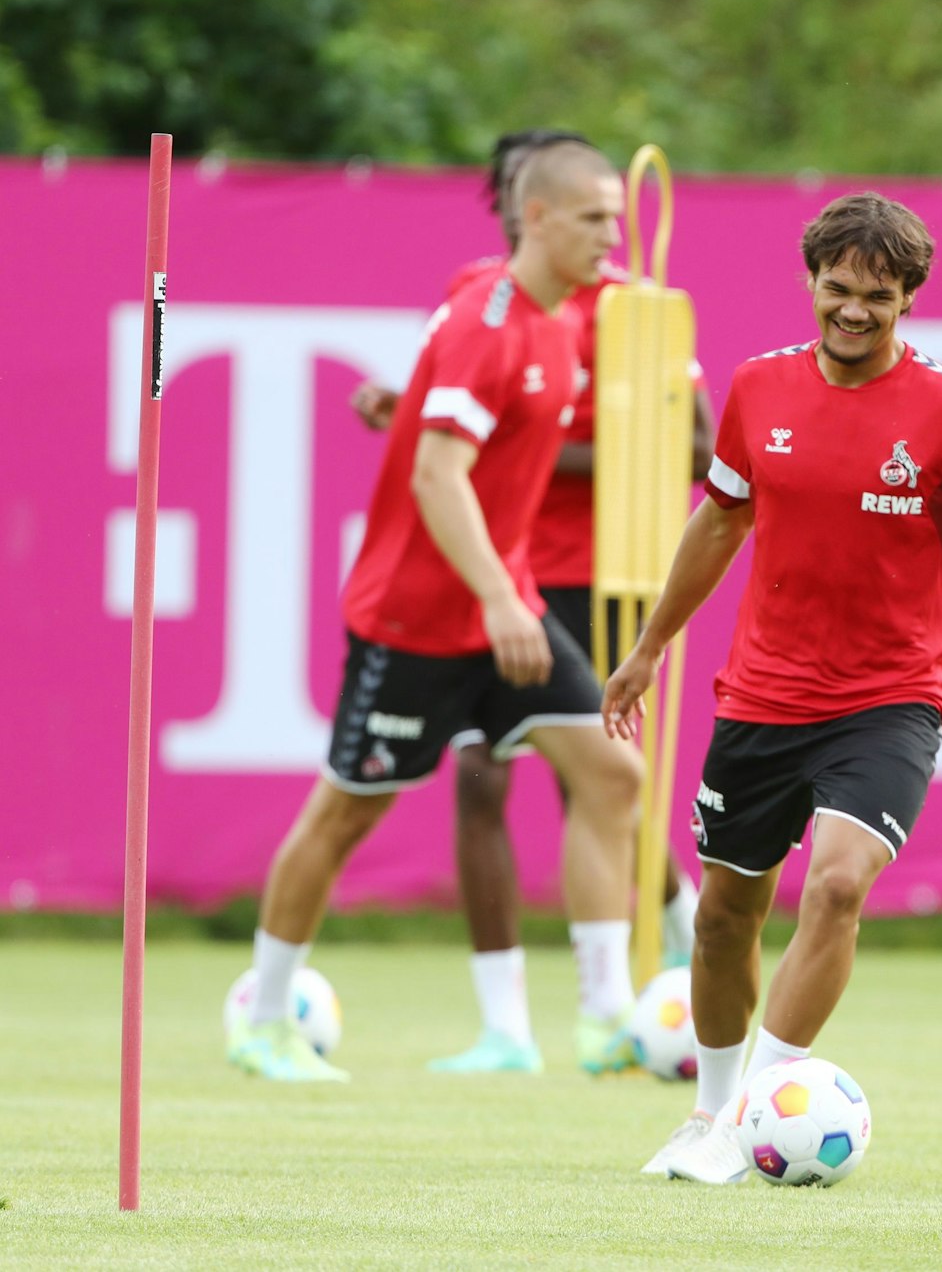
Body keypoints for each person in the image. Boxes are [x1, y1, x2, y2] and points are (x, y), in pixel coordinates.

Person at [600, 191, 942, 1182]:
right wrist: (649, 647)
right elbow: (719, 522)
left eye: (877, 296)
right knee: (728, 909)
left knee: (839, 879)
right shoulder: (757, 388)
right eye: (837, 289)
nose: (852, 310)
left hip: (889, 697)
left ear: (907, 299)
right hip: (759, 693)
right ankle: (706, 1108)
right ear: (810, 281)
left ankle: (746, 1118)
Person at [227, 140, 646, 1082]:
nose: (611, 238)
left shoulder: (557, 319)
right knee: (344, 816)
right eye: (593, 219)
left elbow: (448, 427)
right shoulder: (489, 320)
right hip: (418, 619)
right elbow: (435, 472)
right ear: (535, 218)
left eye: (615, 217)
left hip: (507, 612)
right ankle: (261, 1022)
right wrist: (500, 593)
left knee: (613, 775)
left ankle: (604, 1019)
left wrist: (507, 597)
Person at [351, 130, 715, 1076]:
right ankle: (506, 1025)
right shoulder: (482, 296)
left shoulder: (638, 310)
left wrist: (526, 447)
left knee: (599, 780)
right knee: (480, 781)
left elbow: (694, 448)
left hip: (611, 570)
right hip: (505, 570)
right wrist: (412, 418)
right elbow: (454, 430)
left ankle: (655, 965)